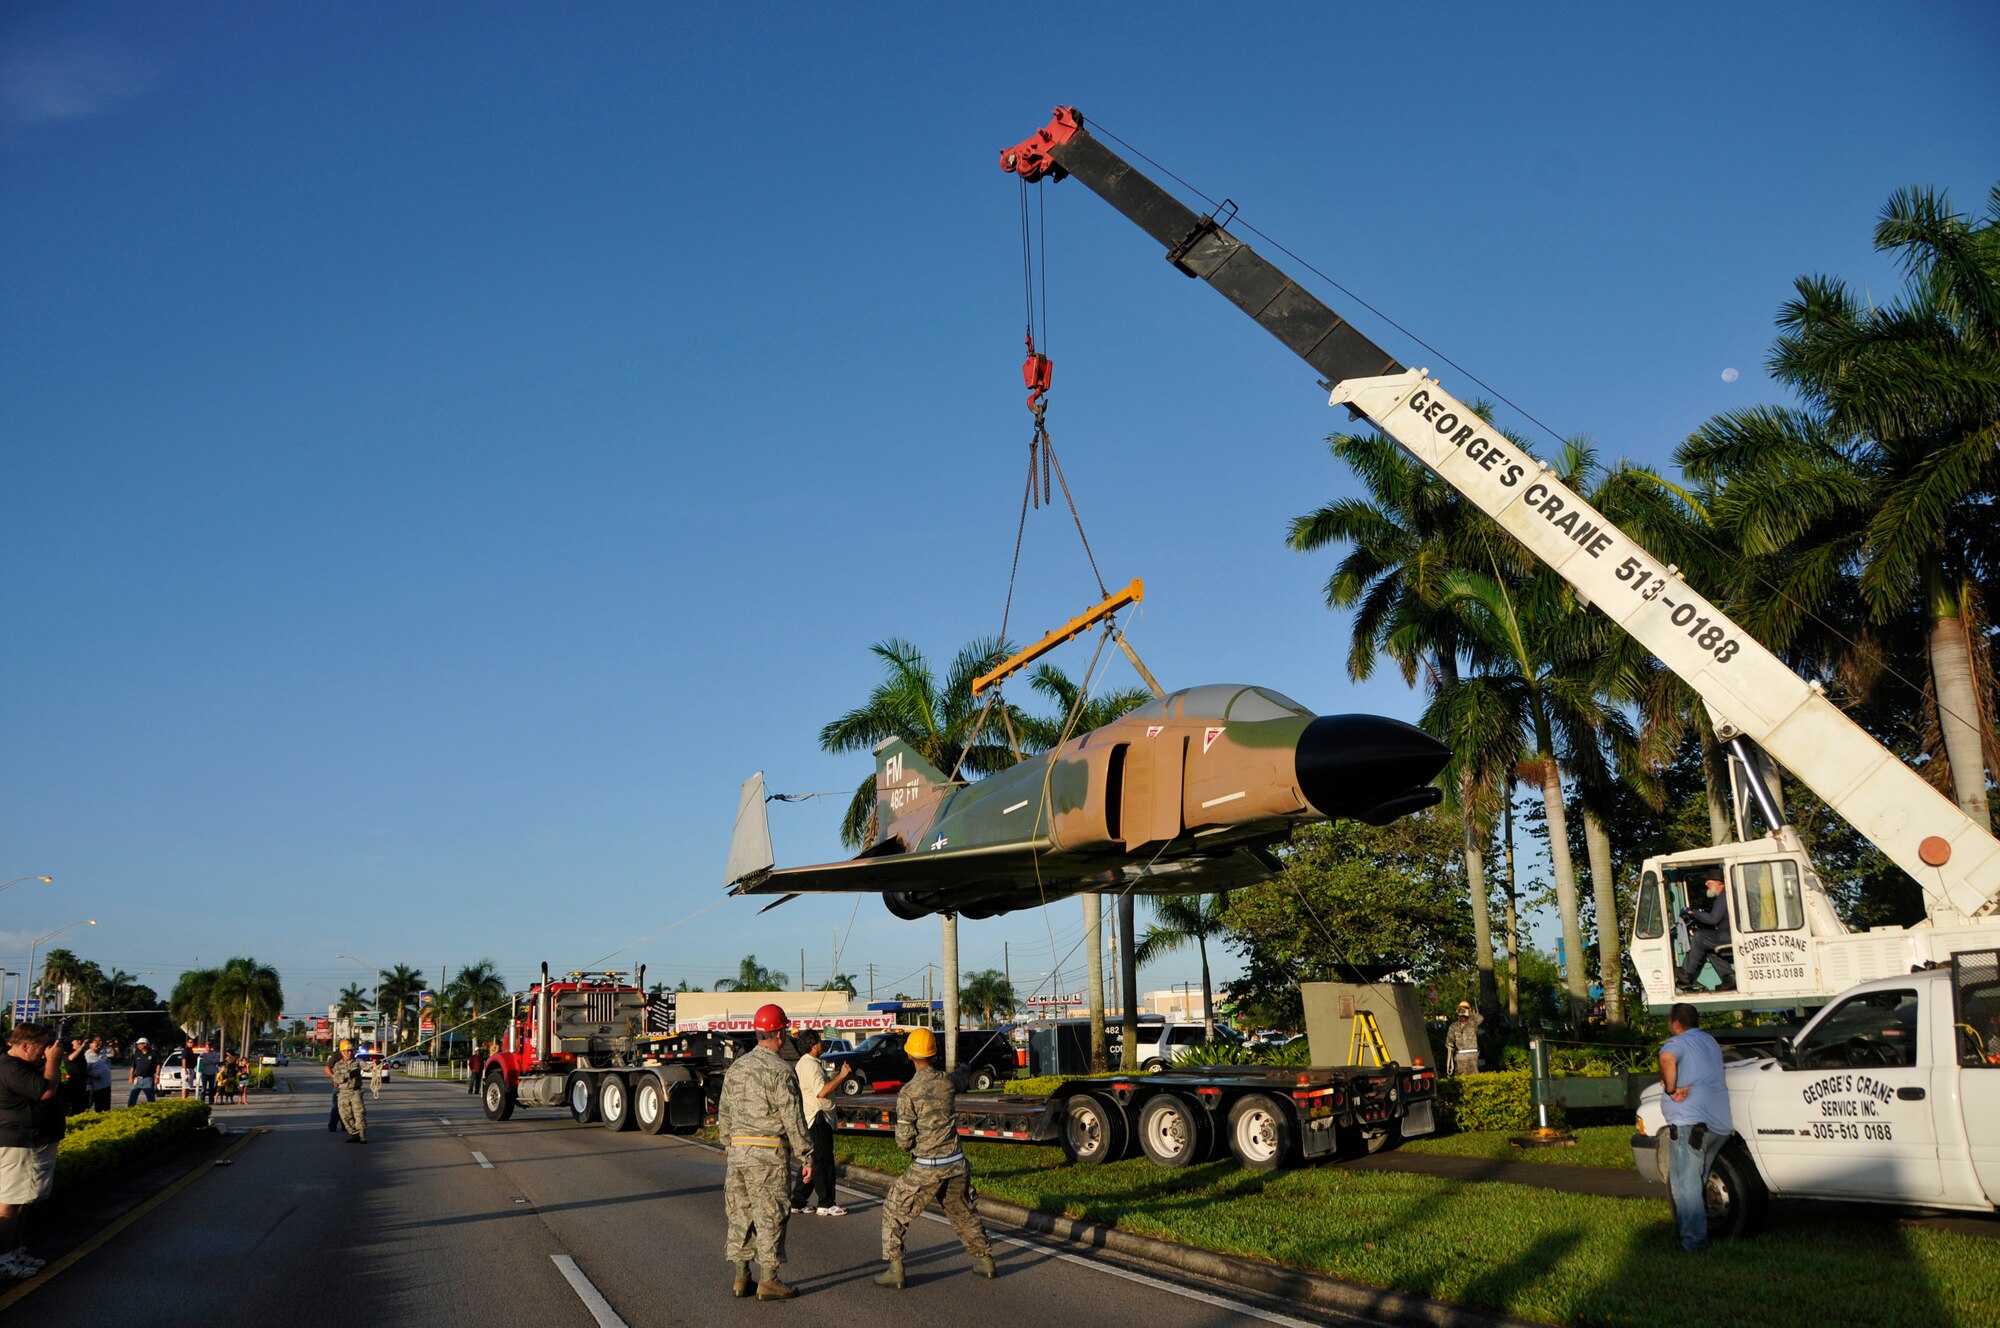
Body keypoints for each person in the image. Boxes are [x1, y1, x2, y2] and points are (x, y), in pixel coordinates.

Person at [872, 1026, 995, 1289]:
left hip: (927, 1167)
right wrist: (965, 1066)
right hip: (956, 1163)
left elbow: (904, 1141)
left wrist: (909, 1143)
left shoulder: (908, 1092)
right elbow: (961, 1076)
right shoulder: (947, 1082)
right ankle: (985, 1262)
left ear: (910, 1057)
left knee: (894, 1209)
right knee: (963, 1212)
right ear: (934, 1054)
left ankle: (895, 1269)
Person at [715, 1003, 811, 1301]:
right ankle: (769, 1279)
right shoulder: (782, 1071)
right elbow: (793, 1118)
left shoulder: (736, 1069)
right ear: (780, 1033)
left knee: (740, 1214)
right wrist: (806, 1155)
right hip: (768, 1156)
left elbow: (724, 1114)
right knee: (770, 1214)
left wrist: (729, 1146)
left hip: (738, 1155)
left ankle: (742, 1278)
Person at [1659, 1002, 1733, 1252]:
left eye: (1670, 1021)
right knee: (1696, 1180)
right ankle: (1688, 1232)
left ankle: (1693, 1242)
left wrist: (1670, 1089)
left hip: (1691, 1126)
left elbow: (1667, 1058)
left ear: (1676, 1022)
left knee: (1685, 1184)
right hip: (1719, 1125)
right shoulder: (1710, 1042)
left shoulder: (1677, 1043)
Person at [0, 1023, 64, 1279]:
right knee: (8, 1205)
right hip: (18, 1143)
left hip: (28, 1142)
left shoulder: (18, 1066)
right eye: (43, 1045)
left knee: (21, 1203)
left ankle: (14, 1251)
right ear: (25, 1046)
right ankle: (3, 1259)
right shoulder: (11, 1067)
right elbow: (47, 1090)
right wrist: (54, 1061)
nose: (46, 1050)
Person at [790, 1029, 850, 1216]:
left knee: (812, 1161)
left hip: (810, 1117)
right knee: (823, 1162)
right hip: (818, 1118)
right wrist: (841, 1076)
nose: (822, 1044)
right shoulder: (812, 1066)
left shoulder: (804, 1064)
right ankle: (826, 1203)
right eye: (820, 1041)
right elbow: (821, 1091)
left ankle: (798, 1201)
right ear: (813, 1045)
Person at [1678, 876, 1735, 991]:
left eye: (1709, 882)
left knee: (1699, 936)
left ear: (1719, 882)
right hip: (1728, 934)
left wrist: (1692, 912)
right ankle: (1729, 977)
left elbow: (1713, 919)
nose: (1706, 884)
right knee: (1708, 946)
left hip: (1730, 935)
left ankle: (1686, 973)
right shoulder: (1725, 895)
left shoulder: (1723, 897)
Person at [325, 1041, 368, 1143]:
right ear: (342, 1052)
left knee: (359, 1113)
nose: (349, 1053)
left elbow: (366, 1067)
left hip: (355, 1091)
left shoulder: (357, 1061)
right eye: (347, 1051)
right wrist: (350, 1075)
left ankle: (362, 1135)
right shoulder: (337, 1065)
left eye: (350, 1051)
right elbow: (337, 1078)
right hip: (343, 1092)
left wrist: (376, 1065)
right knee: (345, 1115)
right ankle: (354, 1133)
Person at [1444, 1002, 1482, 1076]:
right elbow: (1449, 1038)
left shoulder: (1473, 1023)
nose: (1463, 1011)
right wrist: (1450, 1043)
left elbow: (1480, 1018)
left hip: (1472, 1057)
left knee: (1474, 1078)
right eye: (1461, 1009)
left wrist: (1469, 1012)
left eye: (1465, 1009)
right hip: (1460, 1058)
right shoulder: (1453, 1026)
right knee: (1461, 1079)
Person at [84, 1036, 114, 1114]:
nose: (98, 1047)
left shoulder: (99, 1055)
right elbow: (84, 1070)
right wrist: (92, 1074)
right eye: (96, 1046)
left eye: (99, 1046)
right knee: (100, 1109)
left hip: (106, 1085)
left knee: (107, 1109)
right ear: (90, 1045)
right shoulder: (88, 1056)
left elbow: (113, 1055)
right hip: (98, 1088)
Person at [128, 1038, 159, 1107]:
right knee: (132, 1098)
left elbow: (158, 1065)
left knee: (151, 1099)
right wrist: (131, 1077)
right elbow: (133, 1066)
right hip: (137, 1079)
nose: (138, 1045)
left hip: (148, 1079)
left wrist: (157, 1077)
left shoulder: (153, 1053)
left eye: (140, 1044)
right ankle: (130, 1110)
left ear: (145, 1044)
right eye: (137, 1044)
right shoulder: (137, 1053)